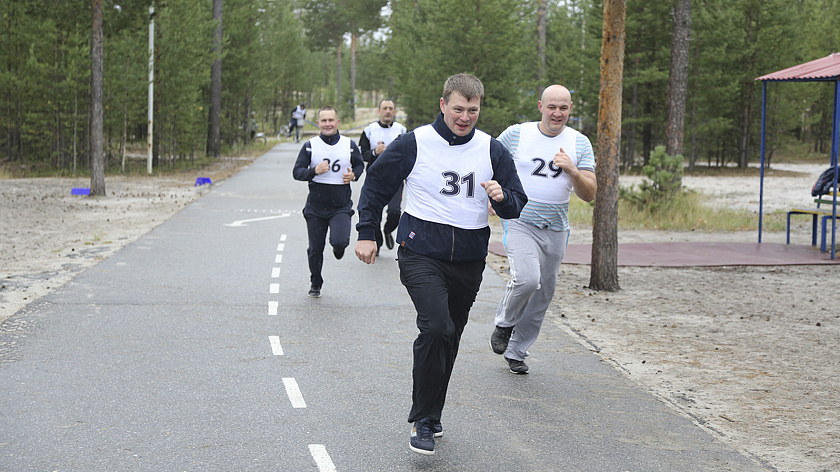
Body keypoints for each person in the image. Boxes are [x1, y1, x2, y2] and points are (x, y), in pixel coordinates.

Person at [354, 74, 527, 455]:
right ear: (443, 105)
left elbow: (517, 201)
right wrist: (367, 230)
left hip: (468, 259)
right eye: (459, 109)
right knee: (435, 327)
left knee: (450, 336)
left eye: (473, 110)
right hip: (420, 252)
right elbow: (376, 185)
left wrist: (502, 198)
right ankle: (422, 420)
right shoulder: (415, 142)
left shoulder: (491, 149)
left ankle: (432, 414)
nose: (465, 117)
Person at [489, 84, 597, 374]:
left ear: (570, 109)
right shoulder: (517, 134)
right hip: (520, 220)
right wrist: (492, 193)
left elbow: (589, 194)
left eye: (563, 108)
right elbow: (488, 162)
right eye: (552, 107)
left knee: (543, 294)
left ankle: (517, 351)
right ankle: (504, 323)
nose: (557, 113)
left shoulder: (579, 143)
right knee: (527, 279)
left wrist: (573, 170)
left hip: (557, 228)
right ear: (540, 107)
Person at [292, 106, 364, 298]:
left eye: (331, 120)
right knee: (315, 249)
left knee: (339, 241)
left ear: (337, 122)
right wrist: (313, 172)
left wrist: (354, 175)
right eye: (323, 121)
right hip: (315, 207)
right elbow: (297, 172)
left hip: (340, 206)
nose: (328, 124)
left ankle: (338, 248)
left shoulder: (349, 145)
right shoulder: (310, 145)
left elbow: (359, 165)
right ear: (318, 124)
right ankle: (316, 281)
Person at [358, 99, 408, 252]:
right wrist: (374, 152)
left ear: (394, 112)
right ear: (379, 111)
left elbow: (409, 154)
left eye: (390, 108)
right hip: (375, 178)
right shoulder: (369, 130)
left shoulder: (402, 130)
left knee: (394, 212)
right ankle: (377, 240)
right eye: (384, 108)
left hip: (395, 178)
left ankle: (388, 230)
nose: (387, 111)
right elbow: (362, 154)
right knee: (375, 213)